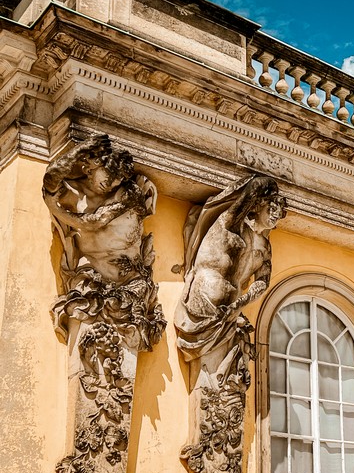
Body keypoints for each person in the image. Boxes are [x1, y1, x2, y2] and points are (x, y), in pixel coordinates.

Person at [175, 175, 285, 360]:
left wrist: (242, 302)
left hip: (230, 313)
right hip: (203, 303)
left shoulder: (264, 247)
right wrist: (267, 184)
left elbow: (263, 281)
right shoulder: (231, 224)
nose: (276, 214)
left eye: (280, 211)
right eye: (272, 207)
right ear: (257, 205)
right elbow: (250, 192)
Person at [42, 134, 155, 284]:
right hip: (89, 281)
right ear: (93, 165)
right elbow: (50, 180)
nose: (114, 183)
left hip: (134, 280)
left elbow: (95, 221)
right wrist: (78, 151)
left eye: (119, 178)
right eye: (111, 174)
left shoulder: (129, 192)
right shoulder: (72, 191)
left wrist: (53, 207)